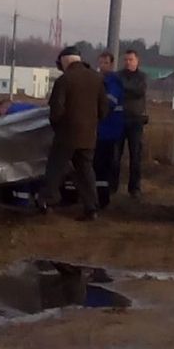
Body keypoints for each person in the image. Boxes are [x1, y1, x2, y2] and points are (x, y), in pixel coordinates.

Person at [41, 46, 108, 220]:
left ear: (65, 61)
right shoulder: (97, 78)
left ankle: (48, 202)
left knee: (55, 169)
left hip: (66, 135)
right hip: (88, 135)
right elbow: (104, 110)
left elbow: (56, 112)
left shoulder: (64, 80)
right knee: (86, 171)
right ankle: (91, 208)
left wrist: (58, 127)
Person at [95, 51, 126, 209]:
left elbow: (109, 102)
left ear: (111, 64)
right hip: (101, 129)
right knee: (98, 164)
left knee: (103, 164)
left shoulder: (113, 82)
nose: (102, 66)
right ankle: (99, 195)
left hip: (109, 129)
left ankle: (103, 198)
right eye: (100, 63)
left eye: (105, 63)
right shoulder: (100, 80)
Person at [117, 49, 149, 197]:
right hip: (119, 119)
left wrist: (123, 88)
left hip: (136, 121)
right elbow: (116, 91)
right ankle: (112, 186)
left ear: (137, 61)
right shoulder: (118, 75)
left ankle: (134, 188)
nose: (128, 62)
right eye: (126, 60)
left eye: (131, 60)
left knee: (135, 156)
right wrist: (124, 88)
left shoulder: (142, 77)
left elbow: (139, 91)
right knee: (115, 156)